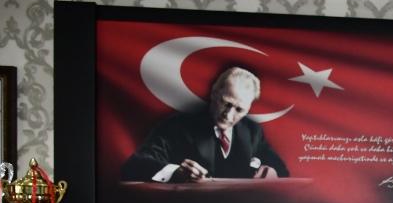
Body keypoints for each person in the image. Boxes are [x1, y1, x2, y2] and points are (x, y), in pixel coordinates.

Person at [121, 67, 289, 182]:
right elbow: (133, 166)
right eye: (226, 103)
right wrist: (176, 172)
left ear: (248, 109)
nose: (228, 115)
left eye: (239, 110)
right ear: (214, 93)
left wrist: (272, 173)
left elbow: (282, 170)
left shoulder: (252, 131)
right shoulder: (177, 125)